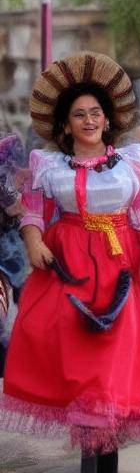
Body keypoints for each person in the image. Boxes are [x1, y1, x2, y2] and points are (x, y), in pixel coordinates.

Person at [0, 52, 140, 473]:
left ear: (107, 120)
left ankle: (106, 432)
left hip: (120, 261)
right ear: (66, 124)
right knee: (72, 345)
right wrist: (33, 239)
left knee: (115, 346)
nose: (89, 120)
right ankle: (91, 426)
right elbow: (35, 210)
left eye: (95, 113)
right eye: (79, 114)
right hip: (67, 261)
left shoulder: (132, 162)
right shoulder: (48, 165)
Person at [0, 133, 29, 377]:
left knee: (24, 294)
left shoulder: (8, 145)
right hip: (10, 241)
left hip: (9, 240)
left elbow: (15, 205)